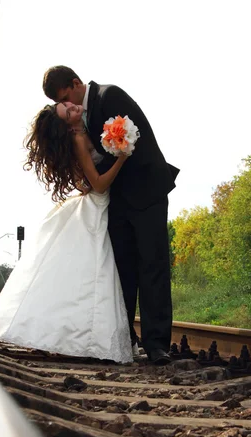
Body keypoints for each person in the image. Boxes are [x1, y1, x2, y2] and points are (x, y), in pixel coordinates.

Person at [43, 66, 179, 365]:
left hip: (146, 191)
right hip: (115, 199)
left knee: (152, 266)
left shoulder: (109, 96)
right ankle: (123, 339)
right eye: (63, 104)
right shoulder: (79, 120)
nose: (69, 105)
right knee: (122, 272)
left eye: (67, 97)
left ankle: (156, 344)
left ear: (77, 83)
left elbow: (131, 142)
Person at [0, 101, 133, 364]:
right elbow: (97, 185)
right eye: (69, 112)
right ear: (66, 125)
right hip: (96, 206)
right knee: (94, 273)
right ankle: (83, 341)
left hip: (93, 205)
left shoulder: (82, 133)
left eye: (68, 106)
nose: (75, 109)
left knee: (82, 276)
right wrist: (121, 158)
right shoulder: (77, 141)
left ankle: (77, 338)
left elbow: (81, 180)